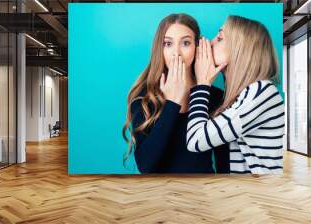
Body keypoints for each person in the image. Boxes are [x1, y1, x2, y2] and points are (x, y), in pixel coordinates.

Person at [122, 13, 229, 174]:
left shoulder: (216, 97)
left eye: (185, 43)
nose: (176, 53)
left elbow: (224, 164)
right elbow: (145, 166)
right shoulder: (143, 98)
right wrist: (172, 103)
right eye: (168, 43)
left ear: (196, 47)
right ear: (159, 47)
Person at [186, 15, 285, 175]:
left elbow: (195, 141)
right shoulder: (241, 95)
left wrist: (202, 84)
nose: (210, 43)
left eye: (219, 38)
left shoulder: (261, 92)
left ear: (241, 49)